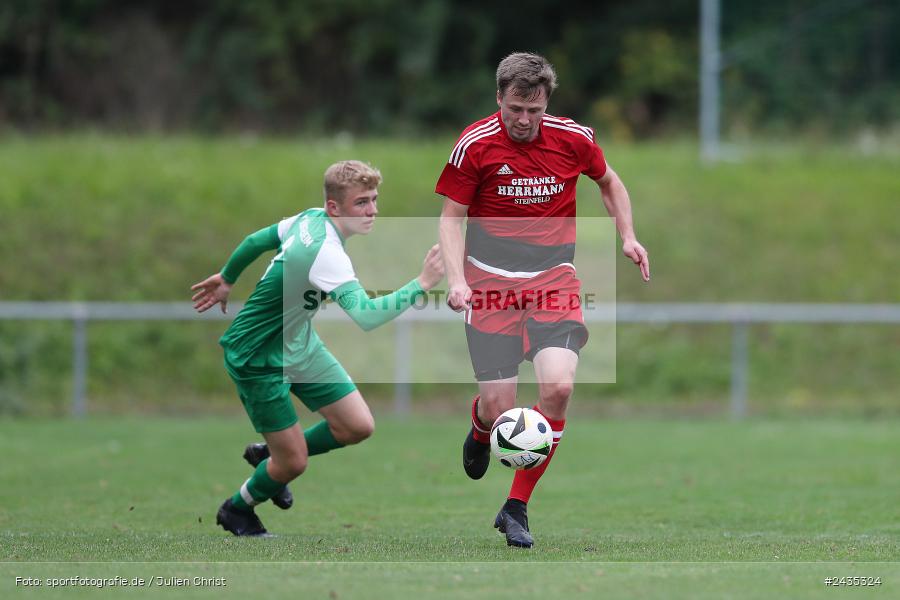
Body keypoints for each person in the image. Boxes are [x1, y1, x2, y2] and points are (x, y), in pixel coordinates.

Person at [436, 52, 650, 547]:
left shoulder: (573, 138)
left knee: (558, 388)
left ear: (547, 103)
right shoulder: (475, 144)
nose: (524, 119)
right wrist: (456, 280)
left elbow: (610, 182)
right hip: (489, 284)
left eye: (534, 110)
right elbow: (450, 218)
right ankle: (480, 427)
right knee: (499, 408)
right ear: (499, 98)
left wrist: (628, 236)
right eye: (515, 108)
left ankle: (516, 507)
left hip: (553, 280)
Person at [193, 160, 444, 536]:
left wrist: (227, 277)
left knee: (357, 426)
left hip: (298, 342)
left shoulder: (309, 218)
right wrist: (422, 283)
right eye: (361, 202)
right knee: (293, 463)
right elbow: (367, 316)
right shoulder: (327, 253)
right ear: (333, 207)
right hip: (257, 356)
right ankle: (237, 509)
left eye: (374, 199)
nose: (373, 211)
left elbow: (256, 241)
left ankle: (268, 455)